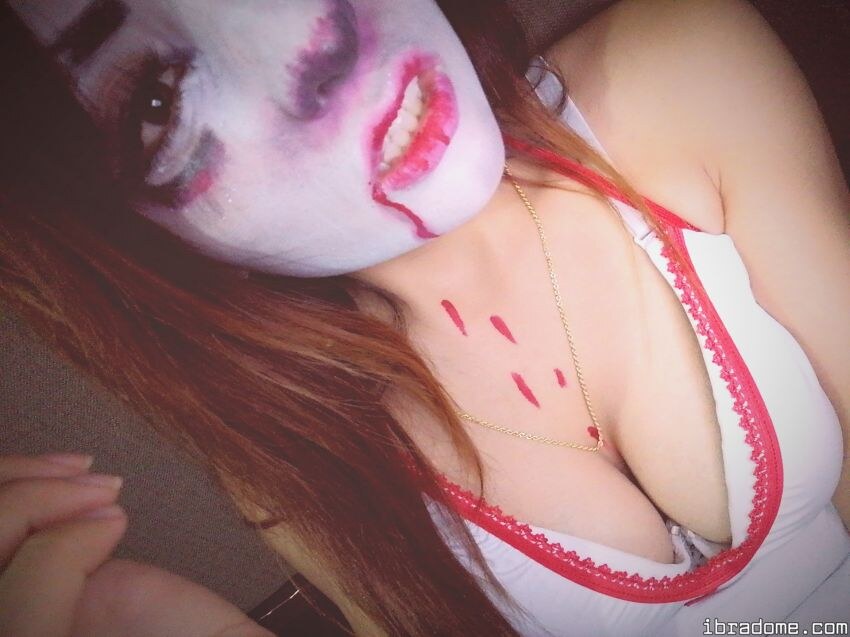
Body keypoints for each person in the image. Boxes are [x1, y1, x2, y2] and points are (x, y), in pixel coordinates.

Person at [1, 0, 848, 635]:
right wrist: (161, 618)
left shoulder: (675, 67)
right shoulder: (297, 449)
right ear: (121, 232)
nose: (320, 49)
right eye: (157, 103)